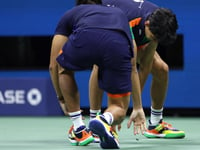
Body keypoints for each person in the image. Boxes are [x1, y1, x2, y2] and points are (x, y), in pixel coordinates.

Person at [49, 0, 146, 148]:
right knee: (119, 108)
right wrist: (138, 106)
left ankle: (79, 128)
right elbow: (133, 61)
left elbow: (53, 66)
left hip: (86, 37)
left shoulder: (73, 13)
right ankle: (105, 119)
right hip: (117, 45)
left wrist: (62, 99)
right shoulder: (120, 14)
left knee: (63, 68)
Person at [89, 0, 185, 139]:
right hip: (107, 25)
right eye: (153, 37)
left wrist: (137, 107)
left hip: (135, 31)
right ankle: (96, 121)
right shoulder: (128, 22)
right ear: (147, 24)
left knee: (161, 69)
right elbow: (130, 68)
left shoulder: (159, 22)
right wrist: (120, 110)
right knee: (100, 66)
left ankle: (156, 124)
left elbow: (145, 66)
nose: (154, 40)